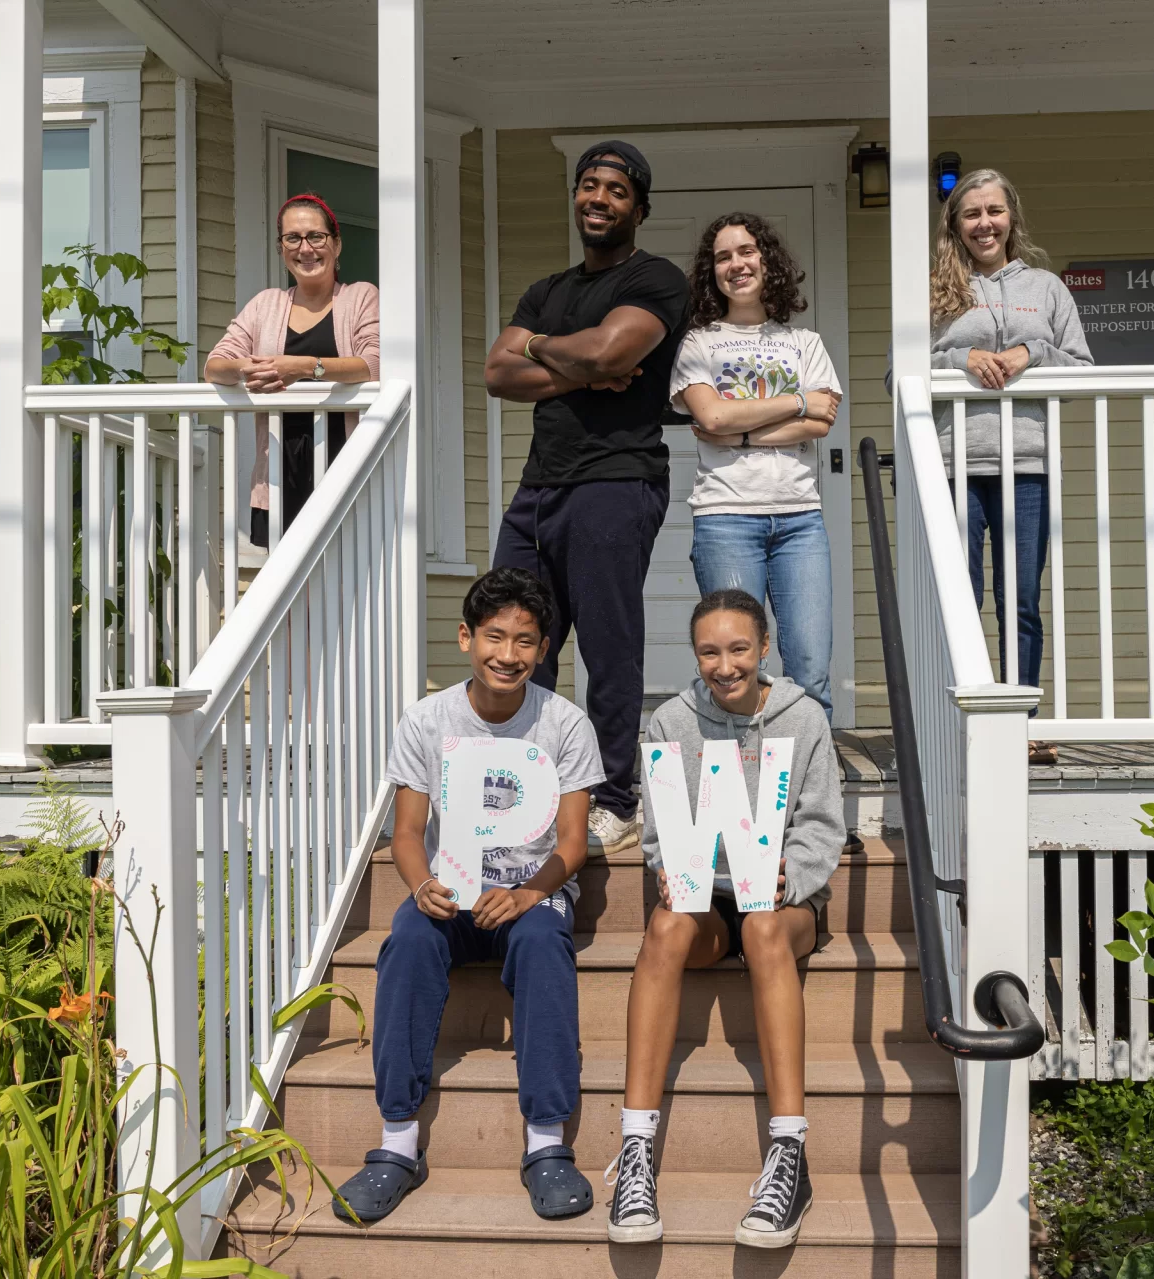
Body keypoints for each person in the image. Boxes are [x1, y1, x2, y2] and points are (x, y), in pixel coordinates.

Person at [332, 567, 605, 1225]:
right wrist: (421, 883)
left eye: (524, 641)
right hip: (450, 891)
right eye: (494, 636)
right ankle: (396, 1144)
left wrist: (527, 892)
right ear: (465, 637)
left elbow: (572, 842)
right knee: (407, 943)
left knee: (543, 942)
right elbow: (404, 833)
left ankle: (545, 1144)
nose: (507, 654)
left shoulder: (565, 724)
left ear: (542, 650)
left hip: (529, 894)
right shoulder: (428, 720)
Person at [604, 588, 846, 1249]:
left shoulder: (804, 720)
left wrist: (788, 874)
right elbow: (657, 827)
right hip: (706, 899)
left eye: (738, 648)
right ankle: (634, 1152)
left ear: (764, 648)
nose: (724, 664)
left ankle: (789, 1155)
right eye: (709, 651)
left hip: (779, 900)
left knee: (764, 926)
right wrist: (666, 864)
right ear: (695, 654)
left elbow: (823, 825)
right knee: (664, 926)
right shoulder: (672, 722)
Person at [484, 140, 690, 857]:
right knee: (516, 637)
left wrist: (547, 350)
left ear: (639, 206)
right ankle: (522, 788)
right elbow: (495, 371)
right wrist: (568, 356)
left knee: (607, 645)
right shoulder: (547, 291)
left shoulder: (657, 279)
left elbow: (613, 354)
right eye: (587, 186)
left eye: (615, 190)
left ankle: (613, 797)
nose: (597, 199)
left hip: (616, 477)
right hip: (540, 483)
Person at [930, 169, 1092, 758]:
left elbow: (1082, 372)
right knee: (963, 597)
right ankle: (961, 725)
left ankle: (1020, 725)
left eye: (994, 211)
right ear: (955, 224)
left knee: (1020, 599)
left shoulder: (1047, 288)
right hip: (956, 466)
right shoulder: (932, 289)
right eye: (971, 214)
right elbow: (903, 373)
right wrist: (962, 357)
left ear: (1011, 218)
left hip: (1026, 464)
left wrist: (1032, 352)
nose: (984, 224)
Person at [671, 214, 842, 717]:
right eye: (723, 257)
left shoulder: (804, 342)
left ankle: (812, 782)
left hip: (800, 521)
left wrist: (739, 433)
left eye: (746, 251)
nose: (736, 264)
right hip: (725, 517)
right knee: (734, 669)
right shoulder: (699, 343)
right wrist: (795, 402)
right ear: (712, 272)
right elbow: (712, 413)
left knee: (810, 669)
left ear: (767, 260)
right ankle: (741, 777)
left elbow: (821, 420)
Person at [206, 193, 380, 547]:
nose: (306, 248)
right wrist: (248, 368)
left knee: (344, 575)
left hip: (342, 455)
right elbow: (214, 366)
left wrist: (304, 368)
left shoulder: (361, 297)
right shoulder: (265, 304)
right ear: (281, 248)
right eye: (293, 238)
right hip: (279, 465)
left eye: (316, 236)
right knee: (288, 585)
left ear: (337, 243)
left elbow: (371, 365)